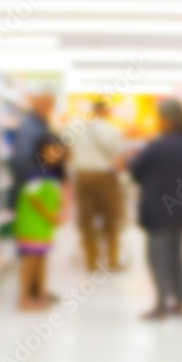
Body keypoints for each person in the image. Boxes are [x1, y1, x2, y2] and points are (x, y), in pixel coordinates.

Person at [129, 99, 182, 320]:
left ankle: (161, 305)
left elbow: (135, 170)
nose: (158, 122)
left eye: (160, 118)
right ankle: (179, 303)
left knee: (157, 257)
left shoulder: (158, 145)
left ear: (169, 120)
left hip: (159, 210)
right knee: (176, 256)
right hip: (181, 209)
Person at [72, 99, 125, 272]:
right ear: (106, 111)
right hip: (104, 177)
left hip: (82, 176)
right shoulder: (112, 130)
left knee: (86, 220)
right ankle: (112, 260)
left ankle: (91, 260)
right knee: (111, 219)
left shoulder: (76, 127)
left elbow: (65, 151)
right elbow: (118, 161)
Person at [15, 135, 67, 312]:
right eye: (52, 148)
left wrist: (58, 211)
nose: (56, 153)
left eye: (58, 149)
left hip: (44, 226)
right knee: (31, 261)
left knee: (42, 259)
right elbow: (33, 198)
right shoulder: (35, 171)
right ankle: (24, 298)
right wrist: (51, 216)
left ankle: (40, 293)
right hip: (33, 224)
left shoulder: (50, 172)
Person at [11, 92, 55, 209]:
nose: (49, 109)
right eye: (46, 105)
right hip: (29, 182)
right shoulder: (29, 126)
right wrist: (35, 175)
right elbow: (22, 158)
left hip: (39, 181)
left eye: (50, 105)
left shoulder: (43, 124)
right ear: (37, 104)